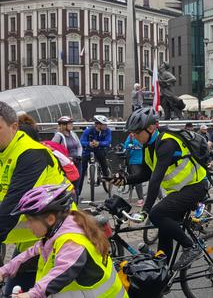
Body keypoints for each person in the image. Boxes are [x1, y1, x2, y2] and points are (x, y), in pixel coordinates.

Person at [113, 108, 209, 269]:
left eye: (137, 132)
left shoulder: (167, 142)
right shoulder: (147, 145)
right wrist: (123, 180)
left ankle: (191, 246)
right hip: (178, 191)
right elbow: (145, 174)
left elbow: (156, 179)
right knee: (165, 229)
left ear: (150, 128)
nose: (134, 136)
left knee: (157, 214)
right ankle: (162, 272)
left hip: (195, 187)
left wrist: (146, 210)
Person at [0, 184, 127, 298]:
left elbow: (62, 272)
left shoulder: (72, 242)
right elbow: (31, 253)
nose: (27, 225)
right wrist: (4, 270)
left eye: (30, 220)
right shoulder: (60, 231)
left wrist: (31, 294)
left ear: (50, 219)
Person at [0, 101, 74, 295]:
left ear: (14, 126)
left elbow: (9, 208)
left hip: (54, 235)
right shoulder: (4, 150)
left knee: (17, 292)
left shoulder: (30, 154)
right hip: (30, 238)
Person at [79, 115, 112, 196]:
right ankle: (78, 192)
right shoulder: (88, 131)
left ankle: (106, 177)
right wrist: (89, 143)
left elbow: (108, 141)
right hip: (88, 150)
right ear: (97, 124)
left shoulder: (108, 131)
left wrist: (99, 143)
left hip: (100, 149)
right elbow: (81, 141)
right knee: (82, 170)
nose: (106, 126)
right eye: (104, 124)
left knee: (103, 162)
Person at [123, 133, 145, 207]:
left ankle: (160, 197)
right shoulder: (131, 136)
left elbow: (144, 145)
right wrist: (131, 143)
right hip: (134, 161)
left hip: (145, 160)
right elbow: (126, 146)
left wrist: (136, 145)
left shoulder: (145, 134)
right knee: (138, 179)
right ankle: (141, 199)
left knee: (153, 178)